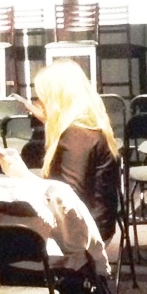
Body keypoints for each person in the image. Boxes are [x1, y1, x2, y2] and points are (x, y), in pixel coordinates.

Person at [27, 59, 120, 244]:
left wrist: (23, 178)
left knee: (4, 228)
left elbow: (68, 196)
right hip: (91, 221)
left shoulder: (77, 135)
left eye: (41, 97)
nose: (39, 103)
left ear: (56, 98)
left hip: (83, 230)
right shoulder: (84, 128)